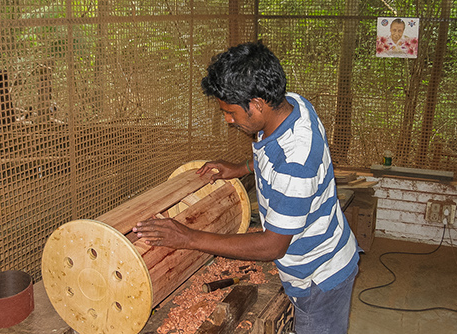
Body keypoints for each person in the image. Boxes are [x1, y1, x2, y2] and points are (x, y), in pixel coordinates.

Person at [133, 41, 360, 334]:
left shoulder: (295, 164)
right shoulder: (293, 105)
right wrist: (241, 168)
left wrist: (188, 237)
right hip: (309, 260)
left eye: (230, 112)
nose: (228, 120)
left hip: (319, 276)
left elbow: (272, 246)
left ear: (256, 104)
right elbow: (271, 151)